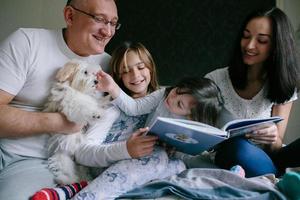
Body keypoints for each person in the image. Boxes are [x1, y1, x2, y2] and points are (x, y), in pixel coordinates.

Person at [0, 0, 120, 199]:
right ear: (70, 16)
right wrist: (59, 122)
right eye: (99, 19)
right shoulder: (27, 42)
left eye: (113, 23)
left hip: (38, 161)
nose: (107, 31)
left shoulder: (109, 67)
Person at [205, 7, 300, 177]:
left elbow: (277, 146)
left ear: (277, 46)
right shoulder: (215, 80)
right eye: (246, 36)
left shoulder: (283, 84)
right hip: (230, 153)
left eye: (262, 41)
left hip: (269, 157)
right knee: (237, 147)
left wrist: (273, 136)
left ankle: (276, 172)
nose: (249, 46)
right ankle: (278, 175)